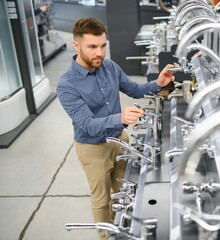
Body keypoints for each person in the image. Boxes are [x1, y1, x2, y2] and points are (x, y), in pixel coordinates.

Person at [56, 17, 175, 240]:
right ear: (77, 45)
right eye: (92, 47)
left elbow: (135, 90)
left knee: (124, 191)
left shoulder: (109, 67)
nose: (99, 53)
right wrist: (120, 117)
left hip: (120, 141)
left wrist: (158, 84)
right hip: (93, 149)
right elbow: (88, 125)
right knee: (102, 200)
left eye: (103, 45)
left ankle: (123, 229)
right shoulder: (67, 84)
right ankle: (106, 236)